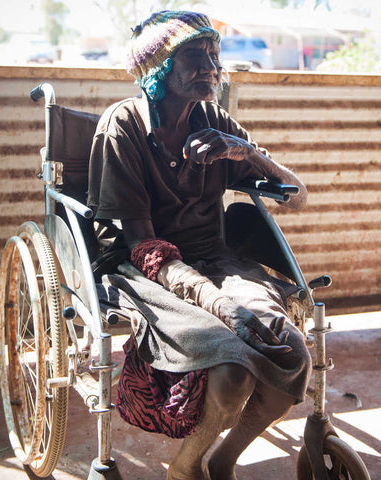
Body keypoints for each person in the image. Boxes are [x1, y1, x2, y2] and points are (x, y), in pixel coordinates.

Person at [88, 10, 311, 480]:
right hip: (144, 269)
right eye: (193, 55)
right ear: (159, 68)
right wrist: (224, 307)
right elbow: (144, 247)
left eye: (213, 54)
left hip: (216, 259)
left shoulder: (212, 119)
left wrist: (244, 151)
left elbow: (299, 197)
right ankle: (186, 468)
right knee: (231, 372)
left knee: (292, 356)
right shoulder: (123, 127)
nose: (210, 66)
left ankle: (224, 460)